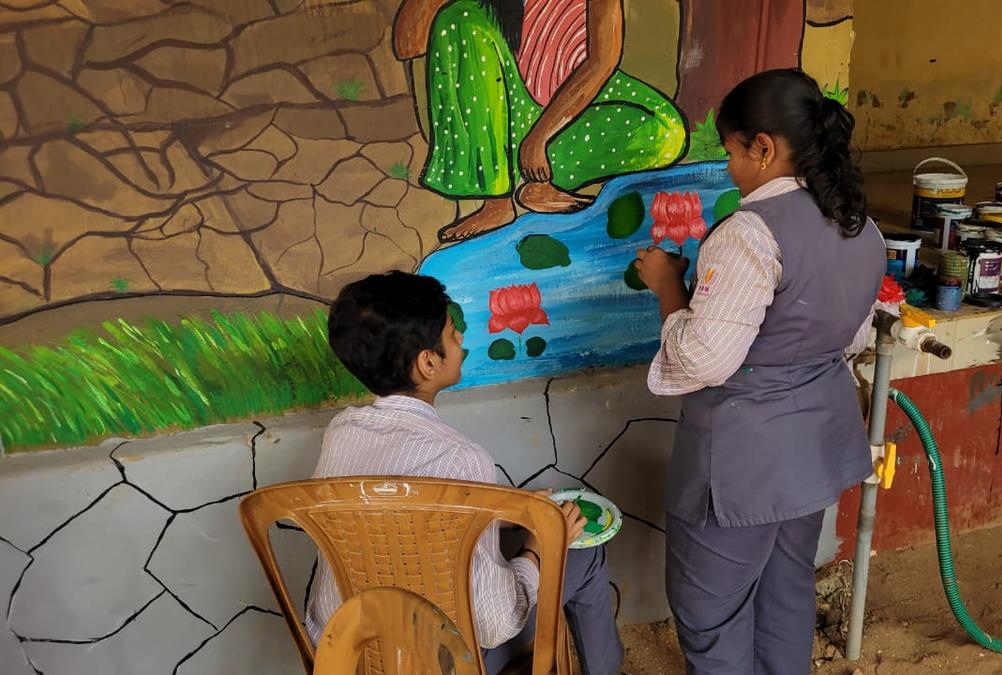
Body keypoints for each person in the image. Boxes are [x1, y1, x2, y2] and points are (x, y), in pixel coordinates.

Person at [633, 69, 885, 674]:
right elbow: (848, 337)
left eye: (730, 151)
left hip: (741, 460)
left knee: (710, 611)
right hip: (813, 451)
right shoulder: (859, 226)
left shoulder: (748, 233)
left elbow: (706, 360)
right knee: (785, 589)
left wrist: (669, 288)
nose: (728, 168)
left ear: (763, 147)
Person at [304, 271, 623, 674]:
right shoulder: (461, 458)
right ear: (428, 362)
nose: (462, 344)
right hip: (438, 663)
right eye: (454, 334)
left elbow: (396, 517)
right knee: (585, 552)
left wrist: (502, 511)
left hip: (347, 654)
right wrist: (536, 547)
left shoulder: (340, 433)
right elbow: (496, 622)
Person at [392, 0, 687, 242]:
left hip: (577, 100)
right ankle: (497, 201)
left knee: (666, 130)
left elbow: (602, 61)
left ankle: (537, 181)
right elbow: (408, 43)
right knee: (457, 18)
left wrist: (540, 138)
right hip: (507, 105)